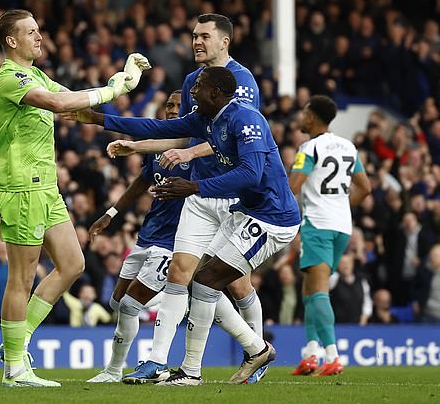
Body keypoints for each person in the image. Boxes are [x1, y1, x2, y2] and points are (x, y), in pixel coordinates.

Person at [69, 66, 301, 385]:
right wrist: (98, 119)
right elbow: (155, 127)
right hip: (246, 211)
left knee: (212, 280)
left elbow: (252, 174)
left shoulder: (246, 119)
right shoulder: (206, 120)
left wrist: (194, 187)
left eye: (199, 88)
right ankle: (212, 364)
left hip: (272, 217)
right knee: (201, 281)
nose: (192, 92)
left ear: (216, 93)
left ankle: (241, 354)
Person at [0, 9, 150, 387]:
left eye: (39, 31)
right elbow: (61, 105)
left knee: (73, 263)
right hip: (21, 188)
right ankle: (14, 368)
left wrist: (121, 93)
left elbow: (75, 106)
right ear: (12, 41)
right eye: (31, 32)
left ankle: (18, 340)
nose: (39, 37)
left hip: (45, 187)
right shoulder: (9, 78)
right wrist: (115, 89)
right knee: (22, 278)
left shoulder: (37, 74)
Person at [106, 13, 268, 384]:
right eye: (194, 36)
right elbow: (183, 134)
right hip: (197, 195)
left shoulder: (240, 82)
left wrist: (190, 155)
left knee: (236, 283)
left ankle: (255, 352)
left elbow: (235, 138)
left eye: (205, 36)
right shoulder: (194, 81)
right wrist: (138, 146)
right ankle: (158, 361)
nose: (197, 42)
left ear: (225, 41)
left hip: (230, 194)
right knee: (183, 274)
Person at [87, 91, 191, 383]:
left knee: (132, 305)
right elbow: (142, 182)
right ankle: (117, 368)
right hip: (148, 235)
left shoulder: (197, 147)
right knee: (117, 304)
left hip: (174, 241)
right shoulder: (158, 148)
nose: (171, 110)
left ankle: (120, 369)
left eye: (177, 106)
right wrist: (111, 213)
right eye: (168, 105)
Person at [288, 95, 371, 376]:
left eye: (303, 113)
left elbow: (295, 186)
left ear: (312, 117)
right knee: (309, 290)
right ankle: (311, 353)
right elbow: (365, 187)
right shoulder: (348, 146)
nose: (301, 117)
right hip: (342, 227)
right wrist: (341, 206)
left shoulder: (308, 148)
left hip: (318, 226)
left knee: (319, 291)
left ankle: (333, 356)